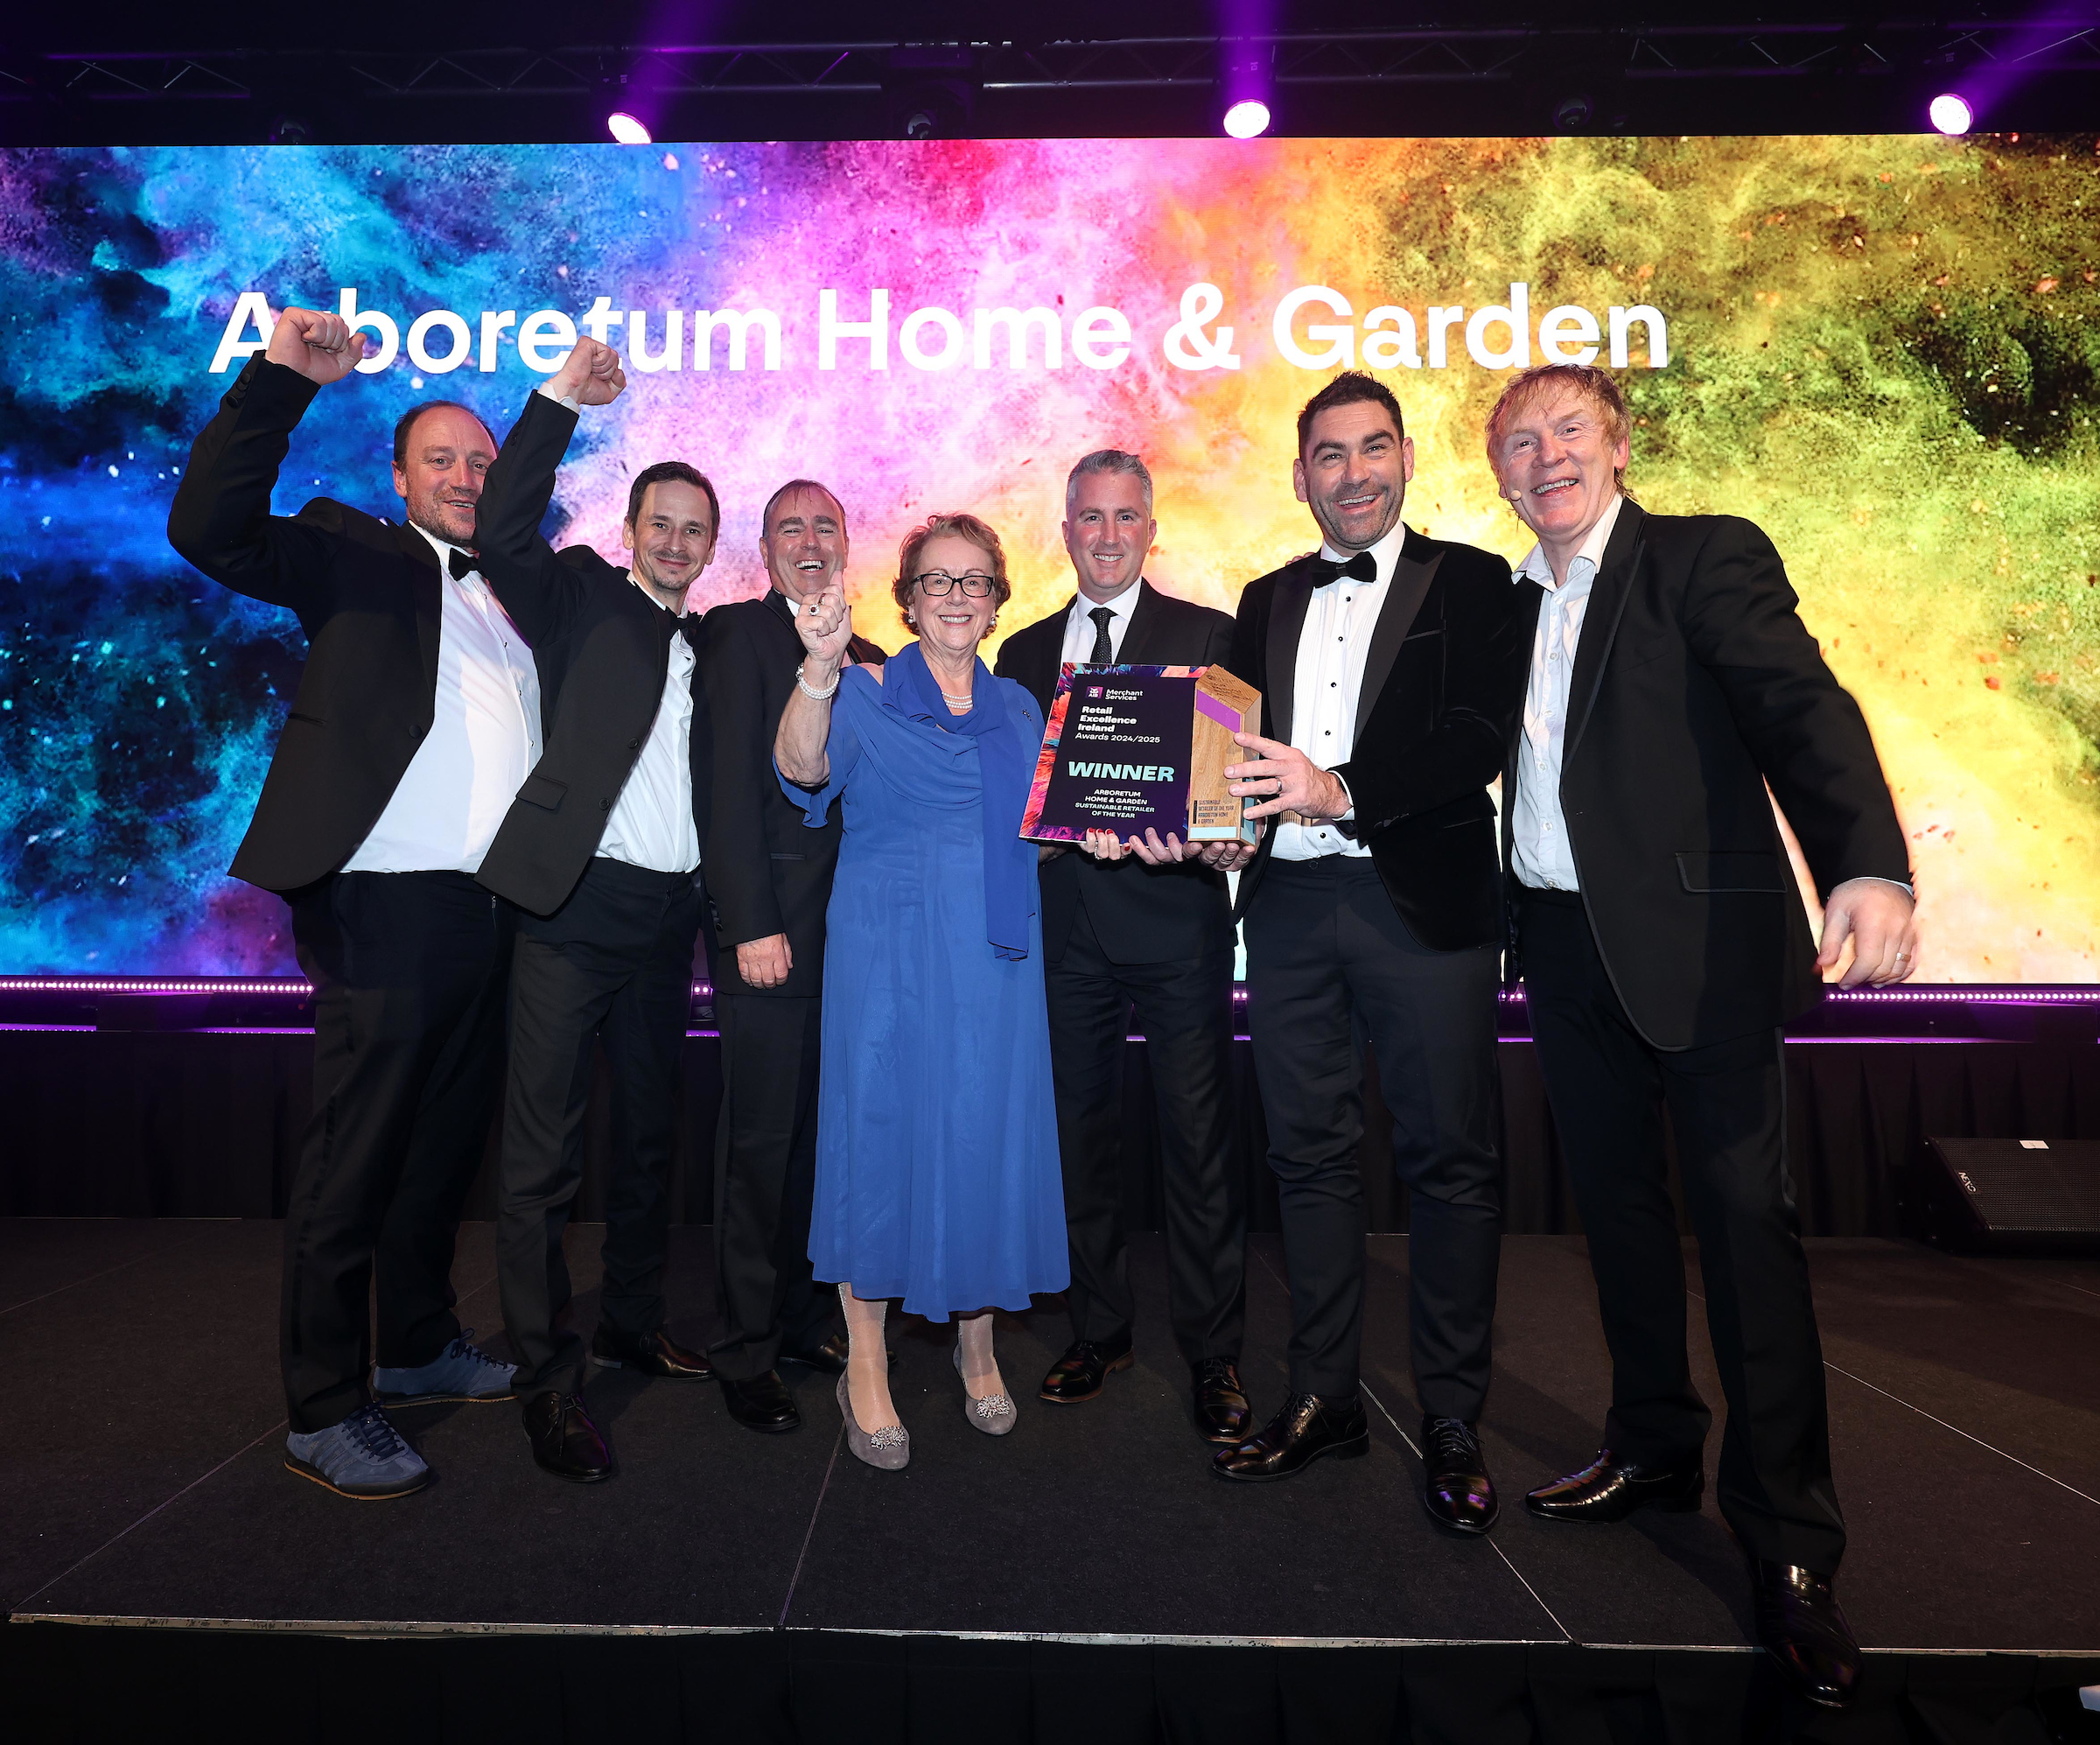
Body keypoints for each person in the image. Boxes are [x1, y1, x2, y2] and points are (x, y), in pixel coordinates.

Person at [1484, 362, 1916, 1708]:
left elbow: (1801, 705)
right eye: (1518, 440)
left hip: (1705, 952)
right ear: (1497, 473)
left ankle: (1790, 1545)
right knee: (1618, 1217)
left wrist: (1866, 860)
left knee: (1743, 1234)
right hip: (1562, 950)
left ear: (1619, 442)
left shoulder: (1702, 558)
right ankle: (1654, 1444)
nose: (1546, 455)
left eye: (1568, 428)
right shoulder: (1505, 603)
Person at [167, 308, 529, 1501]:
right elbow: (209, 527)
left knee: (439, 1147)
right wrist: (280, 379)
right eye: (443, 459)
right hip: (382, 900)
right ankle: (323, 1406)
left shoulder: (512, 593)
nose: (466, 477)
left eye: (482, 461)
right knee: (357, 1153)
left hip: (489, 911)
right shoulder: (351, 550)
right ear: (401, 476)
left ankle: (417, 1340)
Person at [1211, 372, 1537, 1534]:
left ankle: (1451, 1414)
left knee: (1450, 1160)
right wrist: (1217, 830)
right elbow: (1232, 756)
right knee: (1307, 1158)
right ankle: (1325, 1394)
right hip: (1291, 912)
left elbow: (1474, 740)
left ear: (1406, 456)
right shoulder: (1262, 598)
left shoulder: (1477, 580)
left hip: (1422, 908)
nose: (1353, 474)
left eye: (1372, 449)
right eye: (1330, 455)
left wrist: (1337, 787)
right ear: (1300, 476)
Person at [774, 513, 1080, 1470]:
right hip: (887, 956)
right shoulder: (862, 689)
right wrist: (817, 666)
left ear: (996, 602)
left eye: (974, 580)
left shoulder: (1024, 708)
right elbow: (800, 767)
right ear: (907, 600)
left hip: (994, 959)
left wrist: (1117, 829)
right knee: (878, 1133)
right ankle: (864, 1363)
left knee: (981, 1133)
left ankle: (977, 1348)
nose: (955, 596)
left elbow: (1050, 828)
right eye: (936, 580)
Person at [471, 335, 720, 1482]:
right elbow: (500, 529)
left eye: (694, 529)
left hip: (670, 925)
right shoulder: (576, 592)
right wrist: (561, 399)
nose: (675, 541)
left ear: (712, 546)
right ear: (630, 531)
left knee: (651, 1139)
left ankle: (630, 1320)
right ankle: (548, 1381)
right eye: (660, 523)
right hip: (571, 911)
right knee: (543, 1158)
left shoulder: (713, 642)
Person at [992, 450, 1250, 1447]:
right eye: (1090, 518)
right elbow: (1009, 798)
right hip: (1064, 932)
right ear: (1066, 530)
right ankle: (1099, 1329)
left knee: (1198, 1143)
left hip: (1177, 924)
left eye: (1125, 517)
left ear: (1151, 528)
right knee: (1077, 1139)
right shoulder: (1022, 652)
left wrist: (1215, 837)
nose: (1107, 535)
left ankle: (1215, 1351)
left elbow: (1229, 798)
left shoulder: (1209, 635)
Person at [699, 480, 886, 1434]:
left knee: (824, 1145)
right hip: (772, 938)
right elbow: (724, 786)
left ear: (848, 541)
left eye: (825, 525)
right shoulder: (736, 635)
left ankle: (806, 1319)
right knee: (761, 1148)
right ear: (764, 549)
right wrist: (748, 923)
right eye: (789, 527)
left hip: (853, 948)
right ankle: (742, 1346)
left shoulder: (876, 659)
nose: (810, 541)